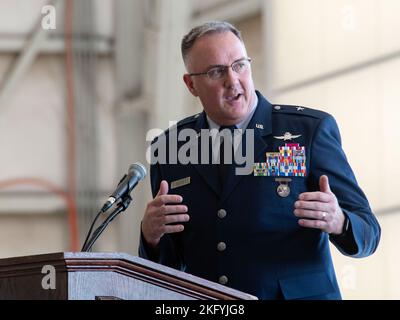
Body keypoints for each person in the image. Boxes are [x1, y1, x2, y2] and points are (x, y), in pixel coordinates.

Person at [139, 21, 380, 300]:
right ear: (191, 84)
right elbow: (168, 269)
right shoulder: (170, 147)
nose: (232, 80)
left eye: (239, 65)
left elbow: (369, 233)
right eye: (216, 71)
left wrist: (340, 221)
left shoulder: (308, 131)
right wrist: (150, 237)